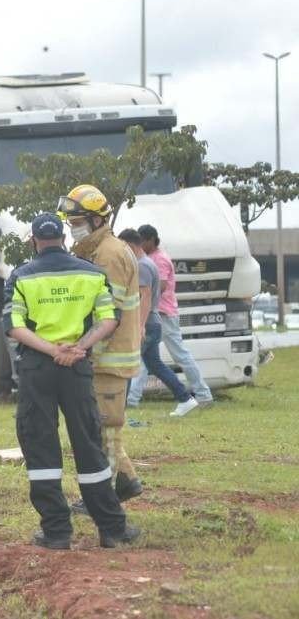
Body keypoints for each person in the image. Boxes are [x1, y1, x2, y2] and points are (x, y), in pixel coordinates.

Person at [3, 214, 140, 549]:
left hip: (38, 368)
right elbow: (110, 319)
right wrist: (79, 347)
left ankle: (56, 532)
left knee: (41, 445)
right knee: (90, 445)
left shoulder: (21, 275)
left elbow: (13, 327)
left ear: (34, 240)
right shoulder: (90, 272)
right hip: (77, 368)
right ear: (64, 237)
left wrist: (52, 350)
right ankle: (112, 529)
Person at [58, 185, 143, 507]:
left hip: (109, 357)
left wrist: (81, 345)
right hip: (98, 356)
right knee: (100, 426)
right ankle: (127, 481)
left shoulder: (110, 254)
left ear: (96, 220)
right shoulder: (89, 251)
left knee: (105, 430)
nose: (72, 226)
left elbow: (110, 314)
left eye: (77, 220)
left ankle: (101, 497)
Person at [118, 229, 199, 416]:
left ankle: (120, 408)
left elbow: (144, 296)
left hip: (147, 322)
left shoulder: (142, 266)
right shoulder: (146, 262)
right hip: (152, 322)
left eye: (123, 246)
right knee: (154, 365)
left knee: (128, 362)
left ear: (130, 245)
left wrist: (139, 326)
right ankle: (185, 398)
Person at [132, 224, 214, 407]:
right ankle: (132, 398)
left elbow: (159, 287)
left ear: (151, 240)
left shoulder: (159, 259)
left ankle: (203, 393)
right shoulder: (150, 258)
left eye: (142, 241)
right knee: (147, 358)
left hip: (163, 314)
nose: (139, 245)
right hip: (160, 314)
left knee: (174, 356)